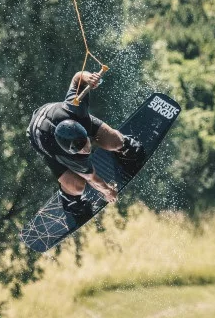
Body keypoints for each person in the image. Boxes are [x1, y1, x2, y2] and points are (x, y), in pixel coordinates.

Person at [26, 70, 143, 220]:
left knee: (117, 142)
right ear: (71, 152)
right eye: (79, 149)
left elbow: (77, 78)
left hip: (58, 115)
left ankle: (122, 147)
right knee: (77, 186)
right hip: (41, 138)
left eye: (85, 142)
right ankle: (69, 200)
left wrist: (90, 78)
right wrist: (107, 191)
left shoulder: (75, 109)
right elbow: (92, 179)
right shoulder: (68, 156)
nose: (87, 149)